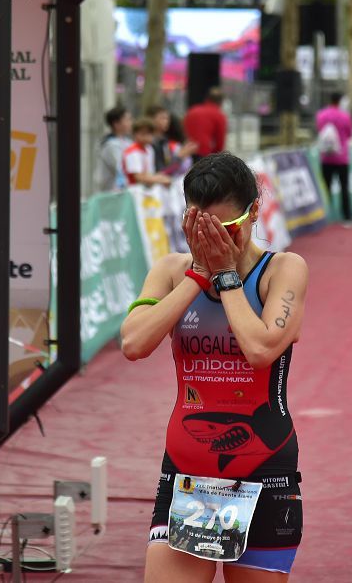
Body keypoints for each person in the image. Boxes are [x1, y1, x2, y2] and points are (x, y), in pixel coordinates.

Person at [121, 152, 308, 582]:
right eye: (202, 226)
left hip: (264, 470)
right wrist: (197, 276)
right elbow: (133, 343)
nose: (216, 238)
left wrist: (225, 277)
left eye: (226, 228)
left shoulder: (283, 270)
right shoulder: (172, 271)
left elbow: (261, 349)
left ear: (254, 212)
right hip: (188, 473)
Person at [316, 91, 352, 227]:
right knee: (344, 187)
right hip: (342, 157)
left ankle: (326, 216)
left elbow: (319, 130)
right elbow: (350, 134)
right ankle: (347, 218)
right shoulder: (345, 116)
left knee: (326, 188)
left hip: (326, 157)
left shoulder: (321, 115)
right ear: (340, 101)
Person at [147, 105, 198, 177]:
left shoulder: (164, 141)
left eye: (167, 119)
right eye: (162, 118)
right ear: (151, 119)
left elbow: (168, 167)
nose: (166, 121)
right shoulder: (150, 142)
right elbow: (162, 170)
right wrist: (180, 156)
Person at [123, 119, 173, 187]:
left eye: (149, 134)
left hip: (146, 188)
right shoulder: (132, 152)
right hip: (132, 189)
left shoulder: (149, 149)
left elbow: (149, 173)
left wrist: (161, 177)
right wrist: (160, 180)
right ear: (134, 134)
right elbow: (138, 177)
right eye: (143, 134)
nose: (146, 137)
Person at [96, 106, 133, 192]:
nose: (131, 123)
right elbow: (121, 168)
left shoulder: (128, 142)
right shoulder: (110, 145)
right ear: (116, 124)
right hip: (112, 193)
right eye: (127, 120)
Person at [184, 87, 228, 157]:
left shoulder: (193, 110)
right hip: (204, 153)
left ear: (207, 98)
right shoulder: (219, 115)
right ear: (221, 102)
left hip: (186, 151)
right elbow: (220, 142)